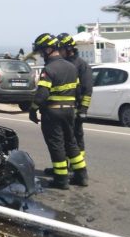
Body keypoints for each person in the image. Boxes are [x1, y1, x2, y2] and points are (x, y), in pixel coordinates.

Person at [28, 33, 87, 190]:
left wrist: (33, 109)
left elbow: (42, 94)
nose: (41, 55)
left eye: (41, 51)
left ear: (48, 49)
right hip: (70, 111)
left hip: (52, 113)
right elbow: (79, 91)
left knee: (56, 145)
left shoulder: (48, 69)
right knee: (71, 142)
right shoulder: (72, 67)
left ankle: (61, 179)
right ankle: (81, 175)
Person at [53, 32, 93, 186]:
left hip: (76, 109)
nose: (59, 51)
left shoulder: (81, 65)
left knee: (76, 140)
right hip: (67, 110)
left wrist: (83, 110)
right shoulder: (65, 64)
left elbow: (87, 90)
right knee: (65, 140)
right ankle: (67, 167)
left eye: (61, 48)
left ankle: (78, 170)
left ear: (68, 48)